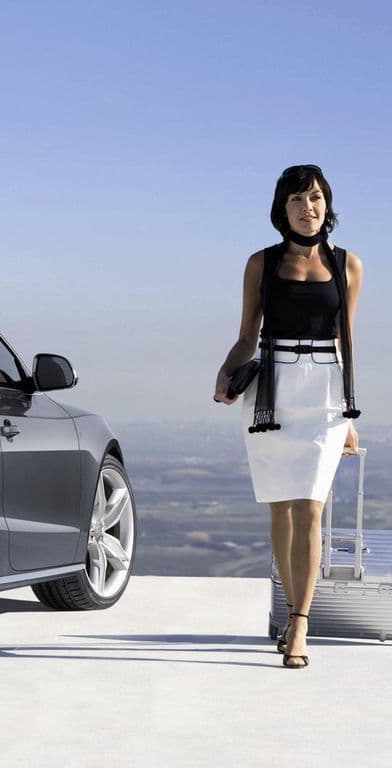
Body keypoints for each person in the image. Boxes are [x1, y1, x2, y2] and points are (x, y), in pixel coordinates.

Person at [214, 164, 362, 669]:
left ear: (327, 204)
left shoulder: (348, 265)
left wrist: (349, 413)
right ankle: (290, 609)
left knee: (311, 508)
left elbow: (346, 341)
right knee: (280, 508)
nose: (307, 207)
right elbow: (246, 335)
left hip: (325, 393)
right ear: (283, 208)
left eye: (315, 197)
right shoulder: (261, 263)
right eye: (297, 199)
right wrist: (225, 373)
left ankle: (300, 622)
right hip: (271, 391)